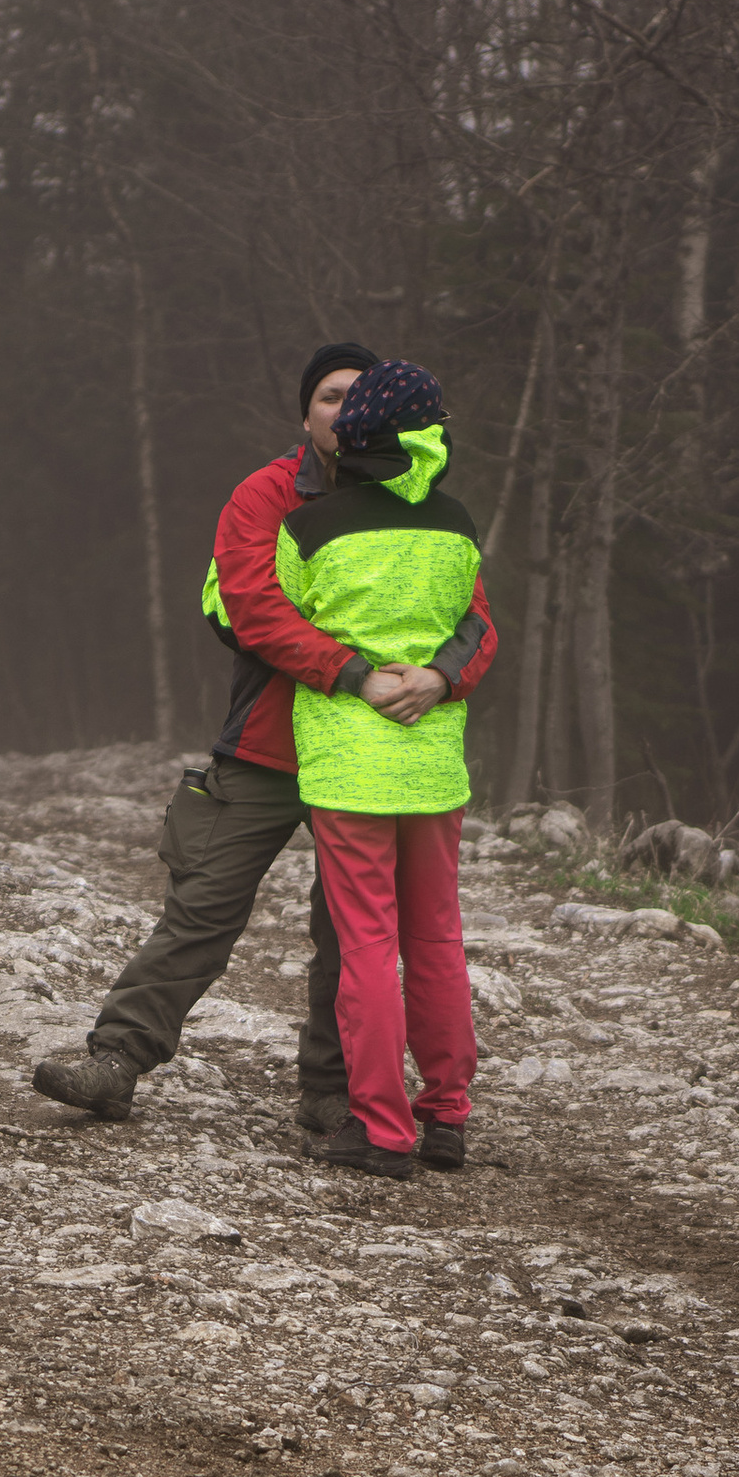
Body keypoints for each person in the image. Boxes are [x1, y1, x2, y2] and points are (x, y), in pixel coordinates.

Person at [31, 340, 495, 1127]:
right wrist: (355, 670)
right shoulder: (266, 494)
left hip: (375, 753)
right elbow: (246, 610)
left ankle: (332, 1097)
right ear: (304, 412)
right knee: (202, 908)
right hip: (270, 744)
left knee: (354, 939)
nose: (345, 412)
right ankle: (116, 1059)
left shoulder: (423, 503)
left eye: (360, 397)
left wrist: (442, 676)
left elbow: (475, 618)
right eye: (329, 398)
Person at [274, 358, 485, 1176]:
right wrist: (426, 678)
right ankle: (447, 1119)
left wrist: (364, 673)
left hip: (347, 760)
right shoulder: (458, 523)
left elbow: (277, 621)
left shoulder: (311, 529)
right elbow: (471, 620)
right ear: (428, 434)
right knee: (437, 938)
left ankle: (382, 1131)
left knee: (366, 943)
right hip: (433, 761)